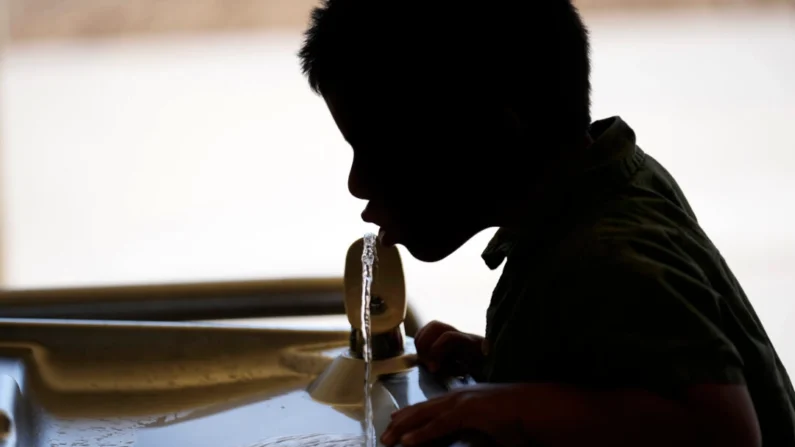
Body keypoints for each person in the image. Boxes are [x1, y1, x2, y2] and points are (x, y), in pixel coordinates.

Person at [298, 0, 795, 446]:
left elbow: (724, 429)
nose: (357, 183)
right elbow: (630, 371)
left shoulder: (611, 253)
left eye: (377, 152)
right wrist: (507, 362)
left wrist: (507, 406)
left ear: (490, 140)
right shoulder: (591, 195)